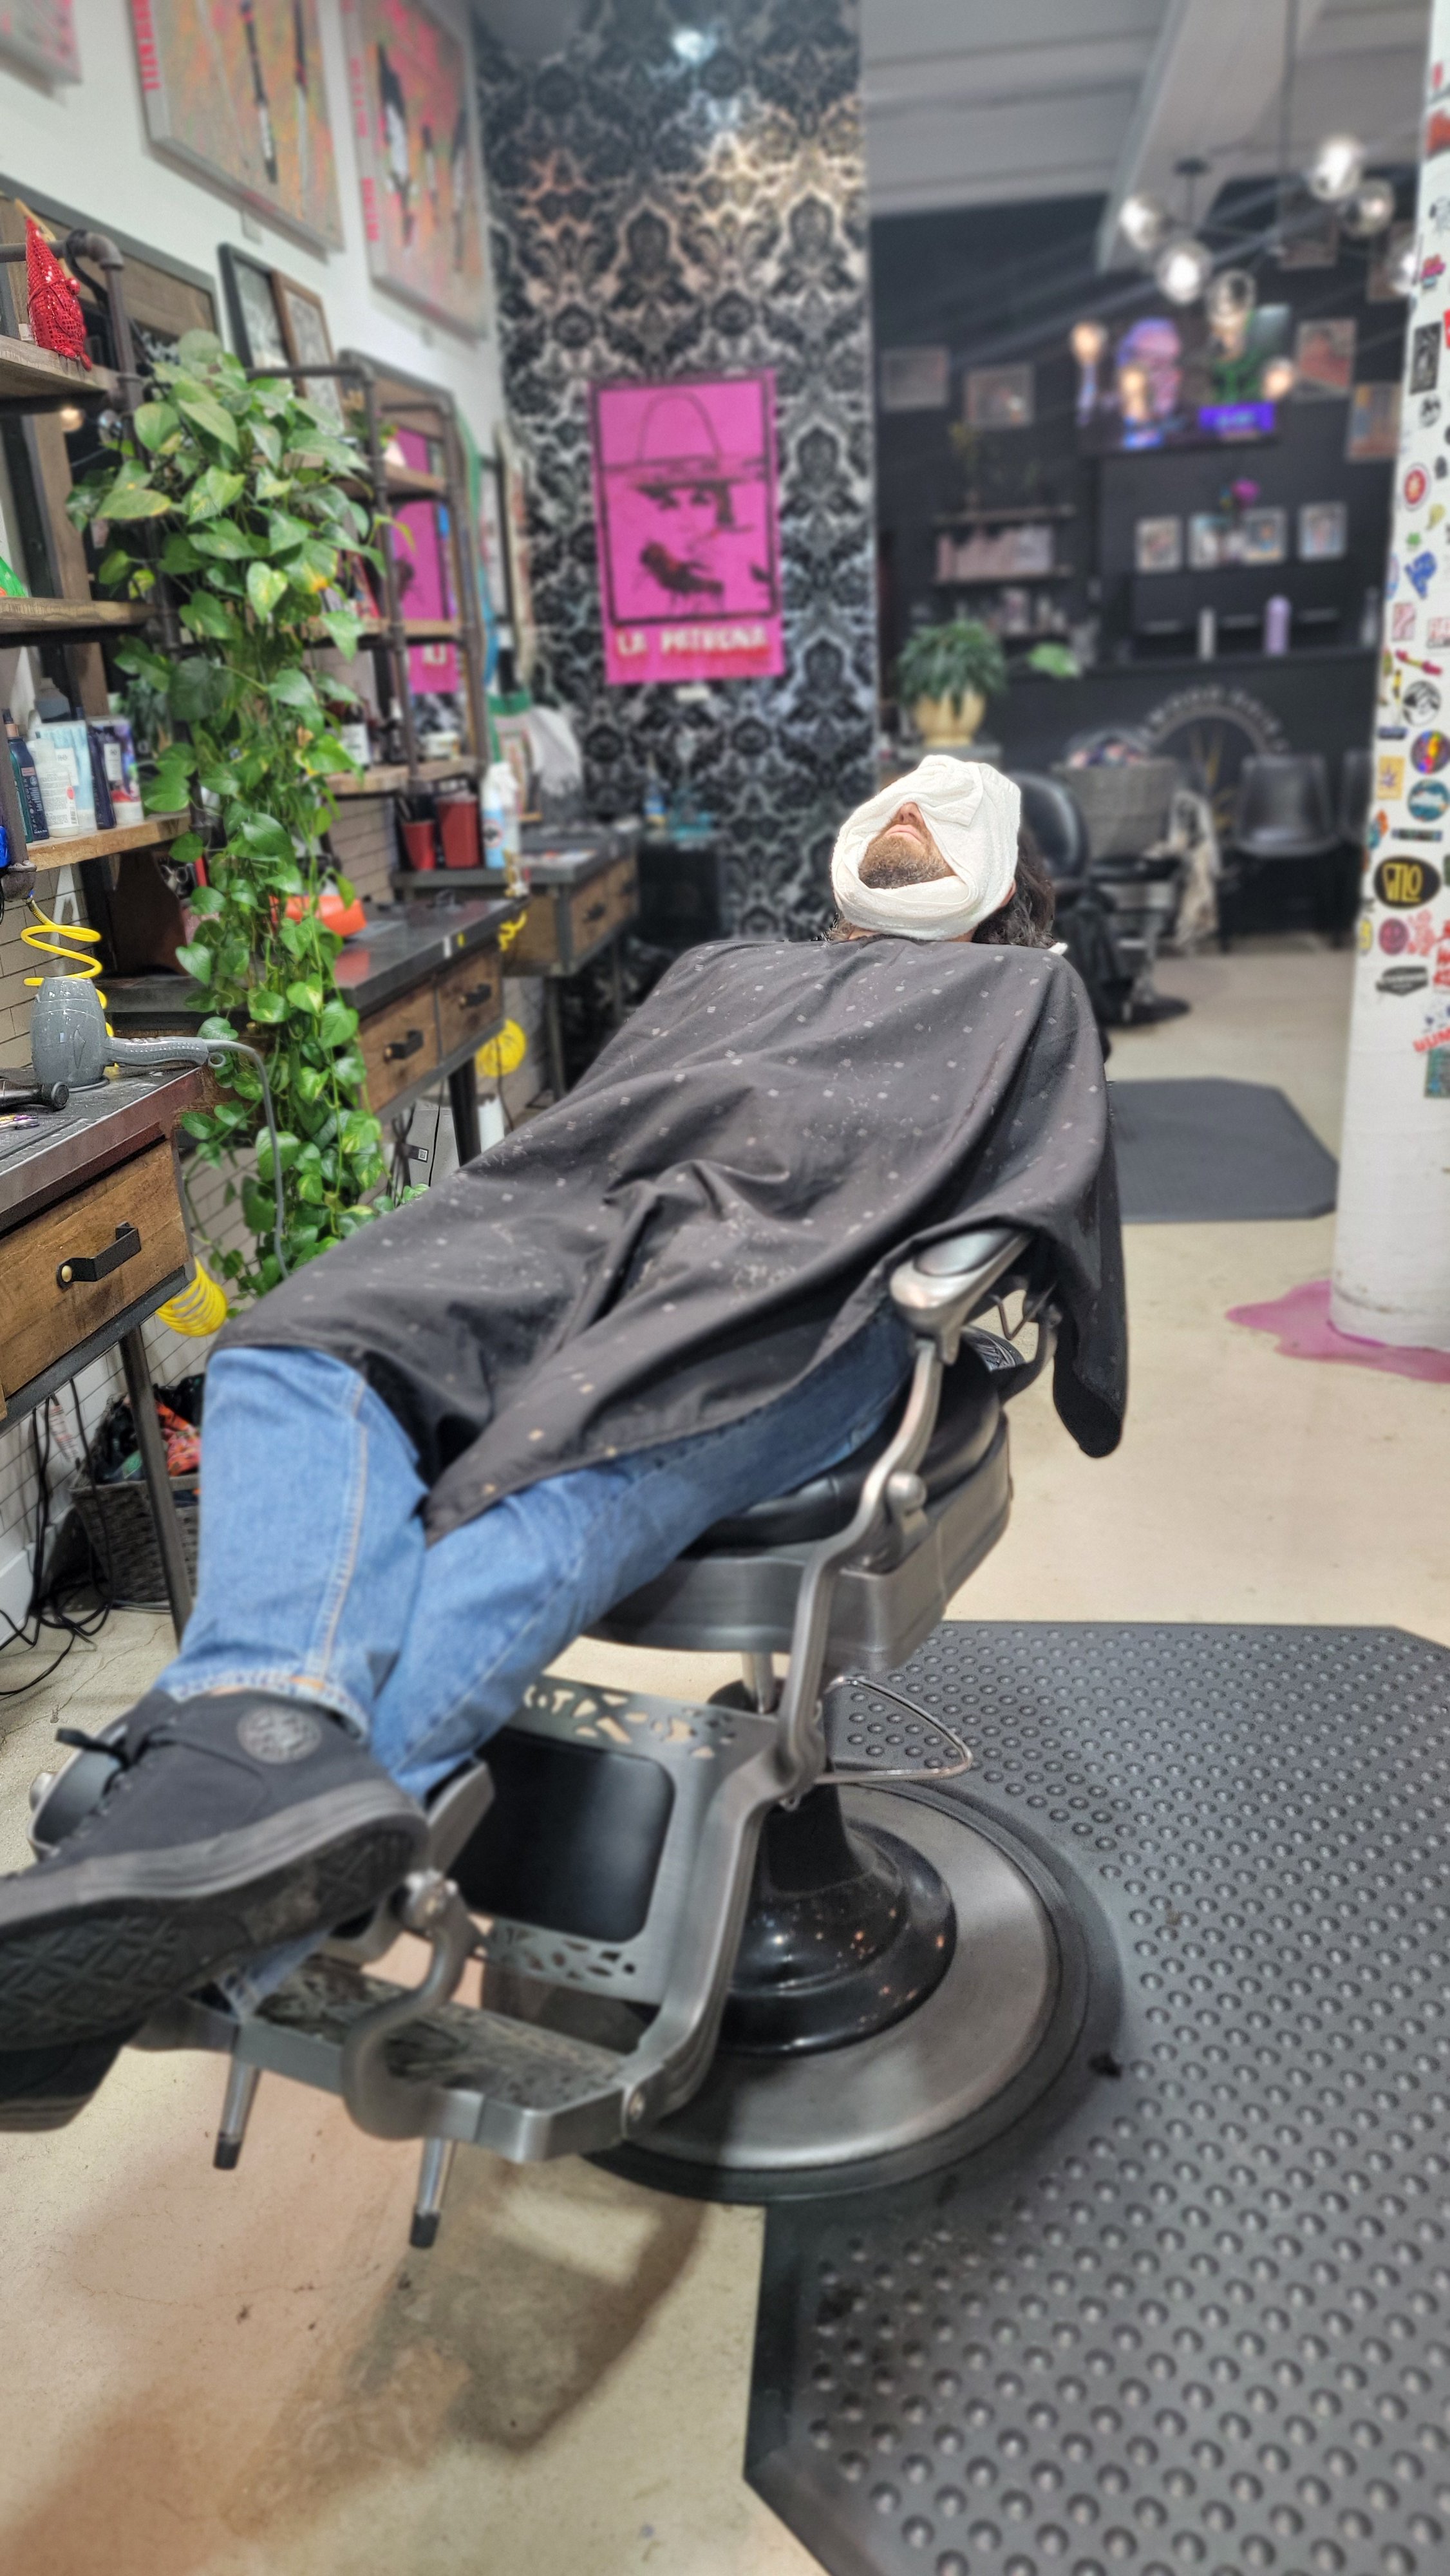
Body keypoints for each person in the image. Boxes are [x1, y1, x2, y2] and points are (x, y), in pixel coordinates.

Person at [0, 757, 1122, 2121]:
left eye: (935, 831)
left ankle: (164, 1929)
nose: (905, 831)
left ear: (1003, 888)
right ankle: (260, 1757)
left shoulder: (1026, 992)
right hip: (573, 1233)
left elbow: (1042, 1188)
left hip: (793, 1295)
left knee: (534, 1483)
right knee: (293, 1342)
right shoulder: (725, 968)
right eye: (887, 823)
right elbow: (597, 1130)